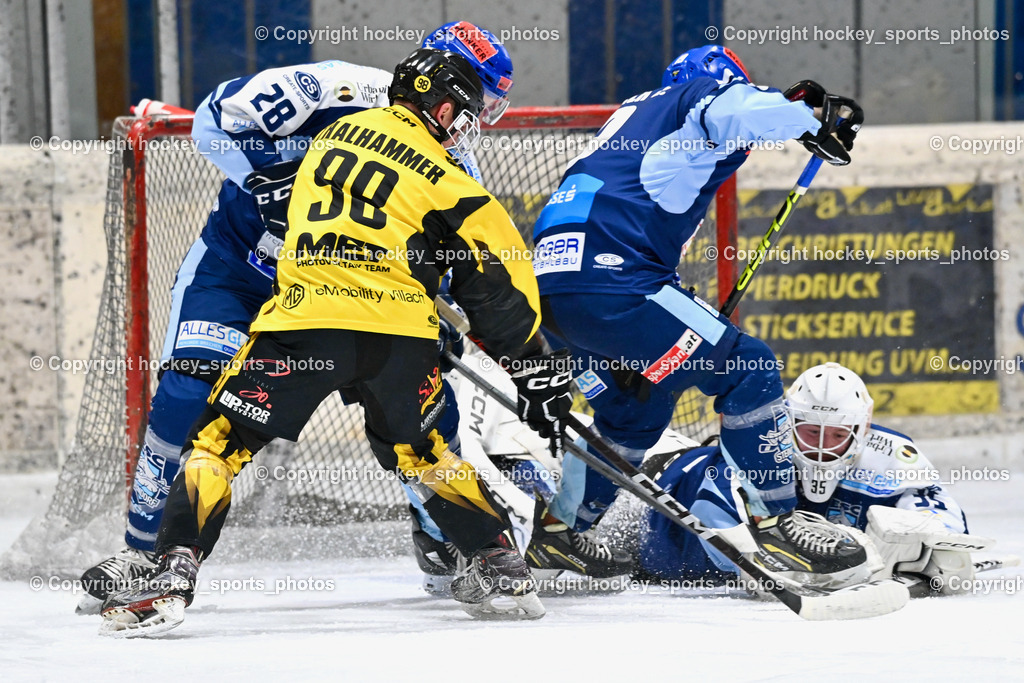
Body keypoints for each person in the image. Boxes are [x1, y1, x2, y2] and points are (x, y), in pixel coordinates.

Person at [99, 47, 573, 637]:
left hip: (304, 312)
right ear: (444, 101)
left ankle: (167, 570)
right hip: (276, 284)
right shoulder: (365, 113)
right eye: (473, 105)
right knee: (425, 448)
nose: (473, 124)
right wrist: (533, 365)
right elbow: (490, 274)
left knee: (220, 439)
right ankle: (499, 564)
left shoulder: (338, 136)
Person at [531, 44, 870, 581]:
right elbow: (732, 108)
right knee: (749, 366)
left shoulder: (627, 126)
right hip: (615, 283)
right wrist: (810, 115)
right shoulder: (694, 96)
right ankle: (777, 521)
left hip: (554, 292)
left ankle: (558, 530)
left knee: (635, 410)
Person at [633, 363, 985, 596]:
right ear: (788, 425)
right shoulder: (760, 447)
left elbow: (946, 523)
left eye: (835, 435)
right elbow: (712, 513)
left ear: (861, 429)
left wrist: (925, 547)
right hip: (650, 489)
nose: (821, 448)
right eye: (810, 432)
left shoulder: (889, 456)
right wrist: (770, 565)